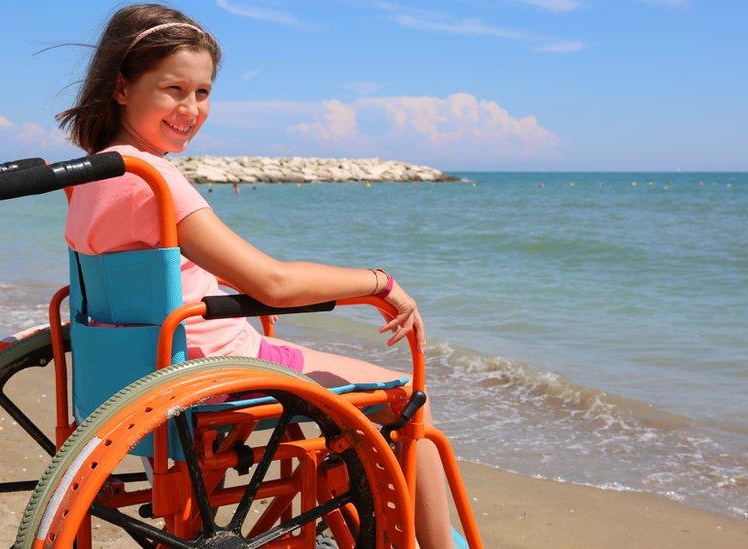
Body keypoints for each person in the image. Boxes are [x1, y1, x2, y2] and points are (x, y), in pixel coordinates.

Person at [58, 4, 455, 547]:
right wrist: (378, 283)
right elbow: (272, 284)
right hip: (211, 371)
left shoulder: (94, 174)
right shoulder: (153, 180)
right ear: (122, 88)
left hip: (133, 374)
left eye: (203, 92)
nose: (191, 109)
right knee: (407, 396)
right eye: (173, 88)